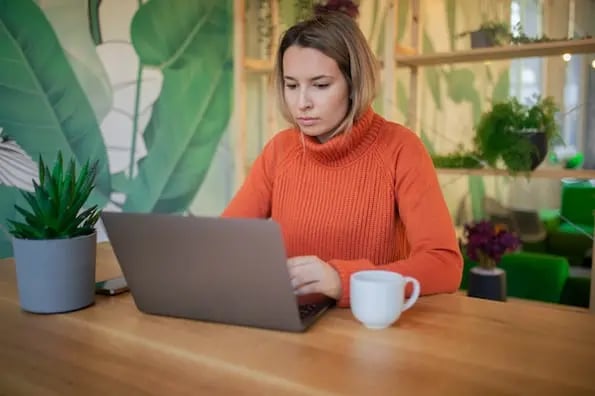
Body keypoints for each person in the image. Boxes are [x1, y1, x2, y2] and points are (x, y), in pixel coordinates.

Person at [222, 11, 462, 308]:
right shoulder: (279, 150)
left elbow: (444, 265)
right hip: (290, 321)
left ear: (353, 84)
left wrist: (341, 280)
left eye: (320, 85)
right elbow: (225, 240)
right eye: (292, 85)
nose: (302, 103)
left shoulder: (401, 149)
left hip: (370, 327)